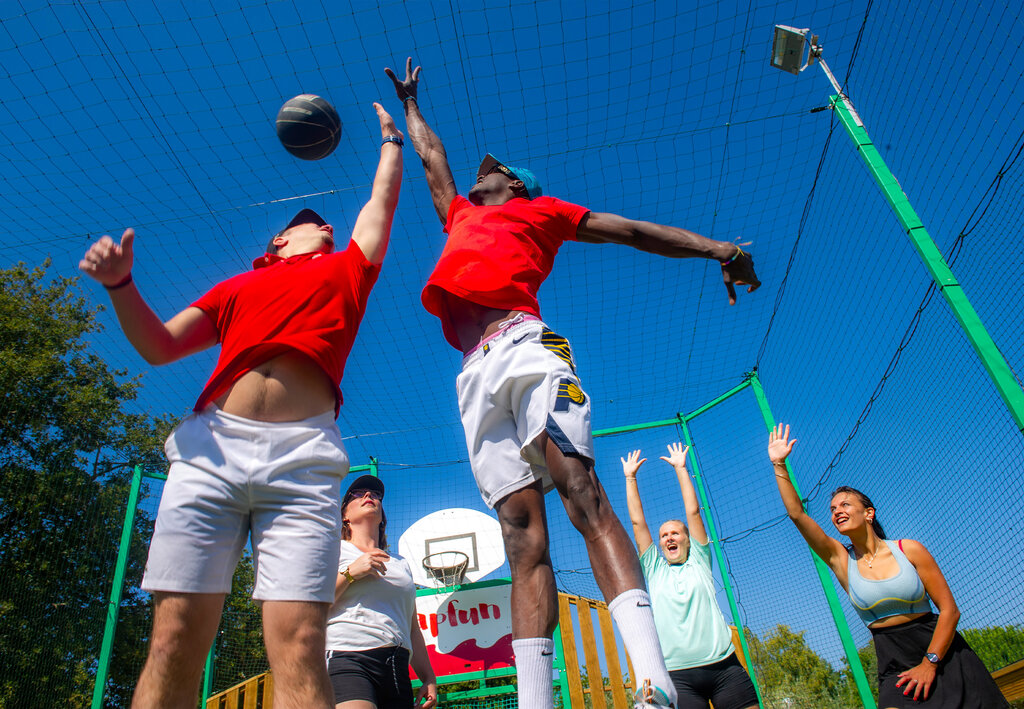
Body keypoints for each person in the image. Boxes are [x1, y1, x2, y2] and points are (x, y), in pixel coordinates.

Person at [385, 57, 761, 708]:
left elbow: (637, 231)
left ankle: (653, 682)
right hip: (473, 373)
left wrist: (720, 249)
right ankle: (536, 701)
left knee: (581, 490)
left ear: (515, 187)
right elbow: (432, 161)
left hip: (531, 348)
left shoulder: (547, 213)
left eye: (492, 170)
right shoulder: (459, 219)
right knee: (520, 535)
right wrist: (411, 106)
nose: (481, 173)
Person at [77, 104, 404, 709]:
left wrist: (392, 139)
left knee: (302, 643)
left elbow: (378, 207)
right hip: (210, 452)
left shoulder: (347, 271)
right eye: (310, 222)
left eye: (328, 222)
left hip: (303, 459)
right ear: (278, 241)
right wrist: (122, 285)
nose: (324, 224)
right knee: (174, 640)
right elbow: (159, 345)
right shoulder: (238, 286)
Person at [767, 424, 1009, 708]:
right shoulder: (841, 560)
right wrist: (779, 463)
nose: (837, 512)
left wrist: (930, 662)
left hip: (942, 655)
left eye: (844, 505)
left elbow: (949, 611)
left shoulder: (910, 550)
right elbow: (797, 514)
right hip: (895, 665)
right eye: (832, 509)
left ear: (868, 513)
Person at [621, 444, 758, 709]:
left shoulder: (700, 561)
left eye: (675, 533)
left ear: (688, 539)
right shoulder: (653, 568)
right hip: (677, 676)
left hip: (724, 668)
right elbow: (638, 523)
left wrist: (681, 469)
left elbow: (693, 512)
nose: (668, 537)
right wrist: (630, 478)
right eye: (663, 535)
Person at [326, 474, 438, 709]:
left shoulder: (401, 563)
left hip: (396, 666)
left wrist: (428, 676)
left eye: (375, 494)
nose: (369, 496)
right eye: (358, 494)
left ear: (382, 518)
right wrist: (350, 573)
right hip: (348, 657)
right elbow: (312, 607)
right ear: (345, 516)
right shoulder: (332, 551)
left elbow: (411, 625)